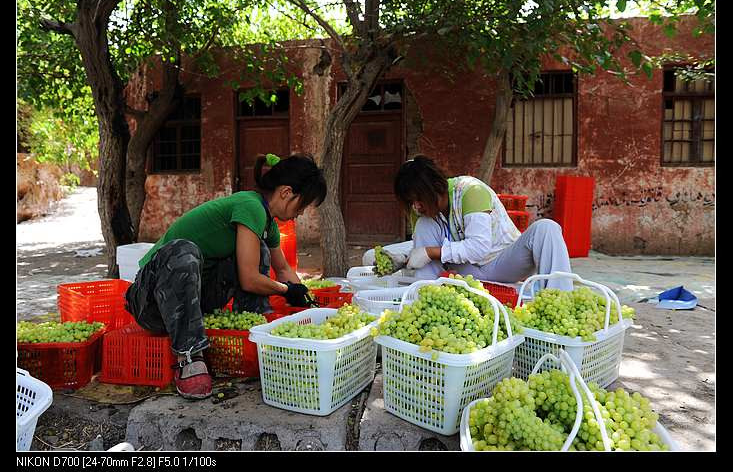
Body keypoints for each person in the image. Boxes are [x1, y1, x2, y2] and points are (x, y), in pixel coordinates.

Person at [124, 153, 326, 400]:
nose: (300, 213)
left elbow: (283, 270)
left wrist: (306, 300)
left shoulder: (268, 224)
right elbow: (249, 279)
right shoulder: (250, 206)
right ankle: (189, 357)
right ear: (286, 192)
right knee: (185, 251)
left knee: (258, 249)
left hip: (192, 306)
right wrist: (285, 290)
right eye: (302, 205)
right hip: (151, 302)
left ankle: (254, 334)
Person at [369, 155, 573, 291]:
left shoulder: (470, 191)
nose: (416, 207)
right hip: (468, 272)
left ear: (437, 188)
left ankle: (560, 299)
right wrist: (404, 259)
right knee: (370, 256)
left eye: (419, 199)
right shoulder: (420, 211)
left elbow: (479, 248)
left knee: (546, 228)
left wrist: (430, 252)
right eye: (410, 202)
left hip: (503, 262)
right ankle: (426, 297)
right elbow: (424, 252)